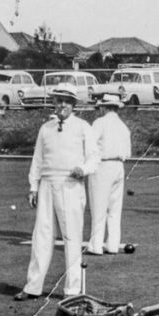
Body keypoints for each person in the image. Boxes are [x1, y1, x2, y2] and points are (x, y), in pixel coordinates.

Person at [14, 85, 100, 300]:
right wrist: (33, 186)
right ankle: (32, 286)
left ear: (73, 105)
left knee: (72, 236)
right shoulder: (46, 128)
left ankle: (72, 290)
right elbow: (38, 159)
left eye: (67, 101)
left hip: (71, 184)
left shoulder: (83, 127)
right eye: (59, 100)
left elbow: (94, 157)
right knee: (41, 235)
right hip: (46, 184)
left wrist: (84, 169)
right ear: (54, 103)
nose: (62, 105)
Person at [86, 94, 132, 255]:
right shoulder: (123, 126)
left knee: (99, 208)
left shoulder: (100, 123)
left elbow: (89, 144)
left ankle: (95, 245)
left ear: (104, 108)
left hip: (103, 165)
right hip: (119, 166)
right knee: (114, 208)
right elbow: (128, 152)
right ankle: (113, 244)